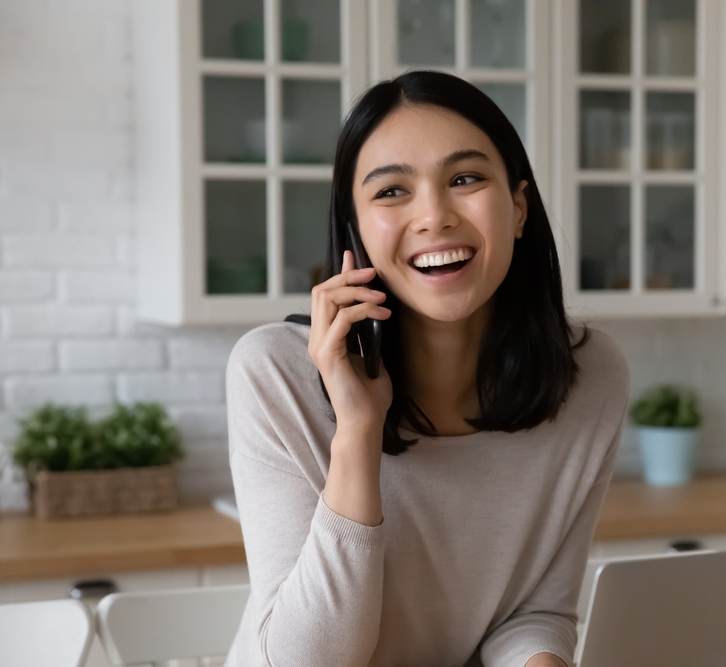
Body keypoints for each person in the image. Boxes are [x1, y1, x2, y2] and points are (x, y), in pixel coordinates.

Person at [224, 70, 629, 667]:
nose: (434, 216)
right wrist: (358, 431)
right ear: (356, 227)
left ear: (518, 207)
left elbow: (534, 610)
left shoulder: (589, 376)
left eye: (465, 178)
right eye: (391, 192)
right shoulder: (274, 373)